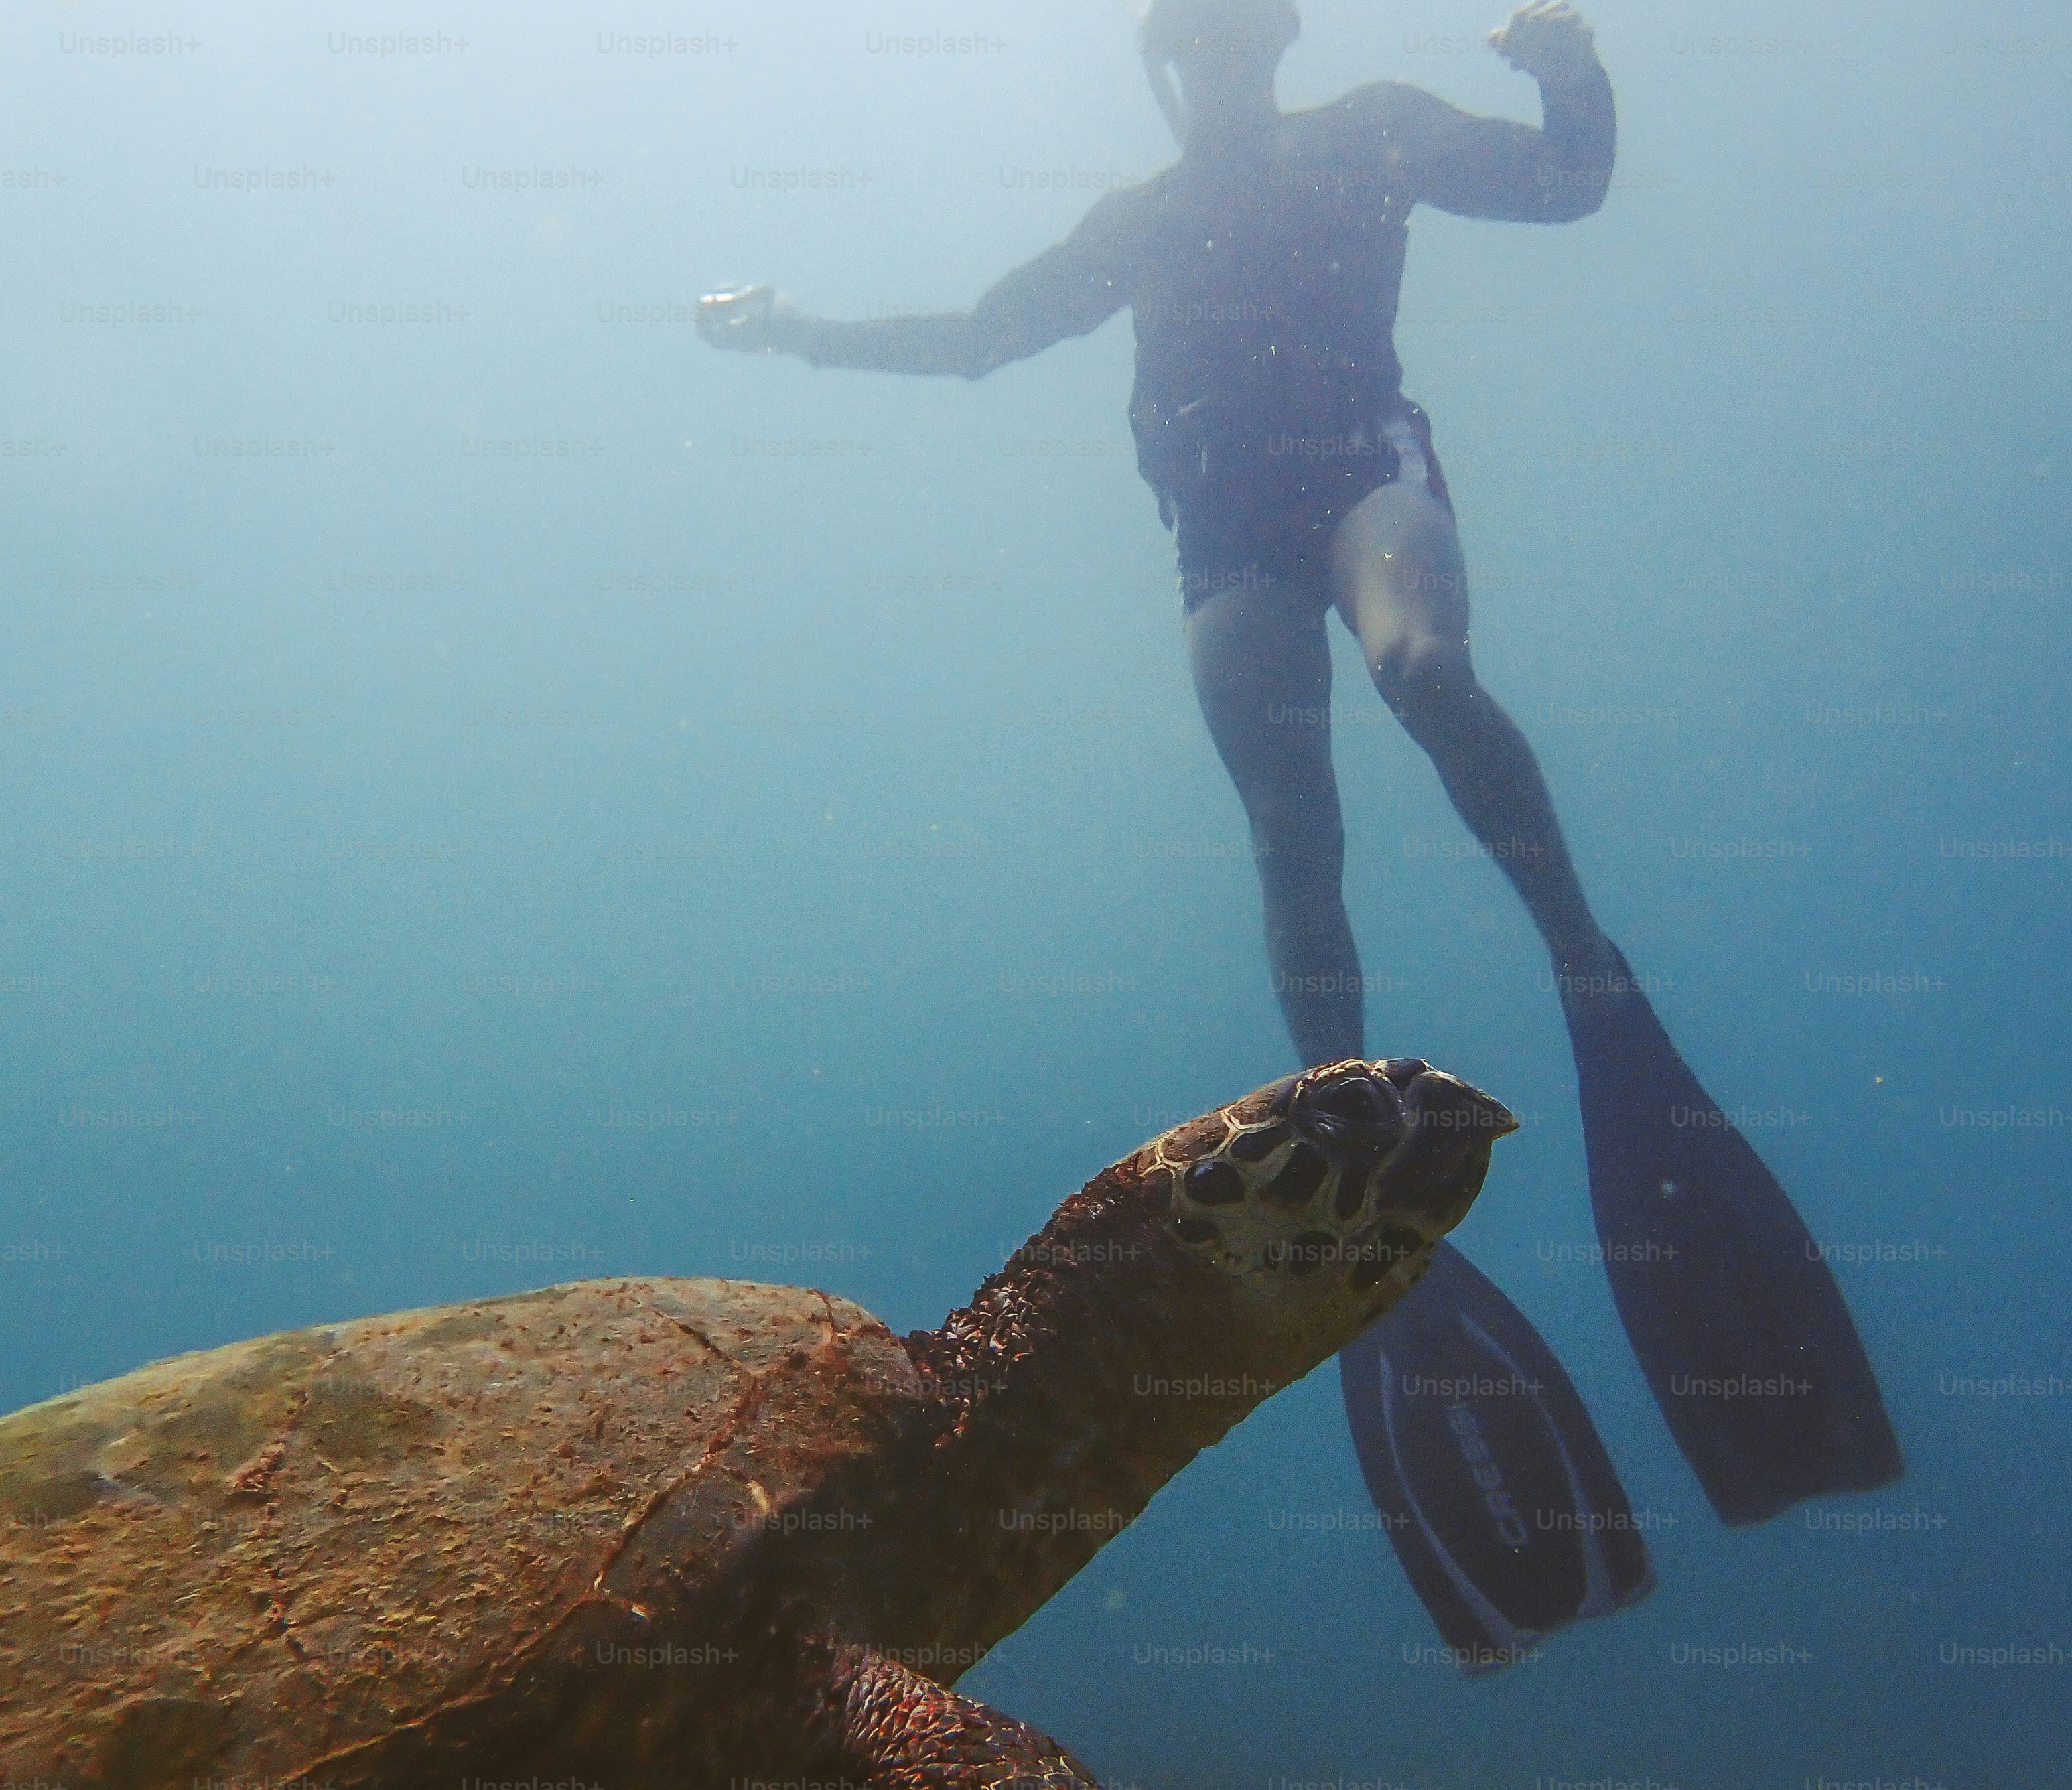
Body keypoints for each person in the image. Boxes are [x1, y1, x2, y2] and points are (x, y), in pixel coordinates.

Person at [700, 0, 1898, 1662]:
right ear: (1167, 62)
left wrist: (1566, 61)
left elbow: (1566, 186)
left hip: (1359, 473)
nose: (1220, 42)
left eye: (1238, 18)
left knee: (1420, 666)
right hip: (1224, 530)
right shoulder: (1136, 221)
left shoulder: (1372, 130)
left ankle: (1582, 971)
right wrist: (791, 332)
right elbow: (976, 335)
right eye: (1194, 29)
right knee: (1289, 822)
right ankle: (1340, 1140)